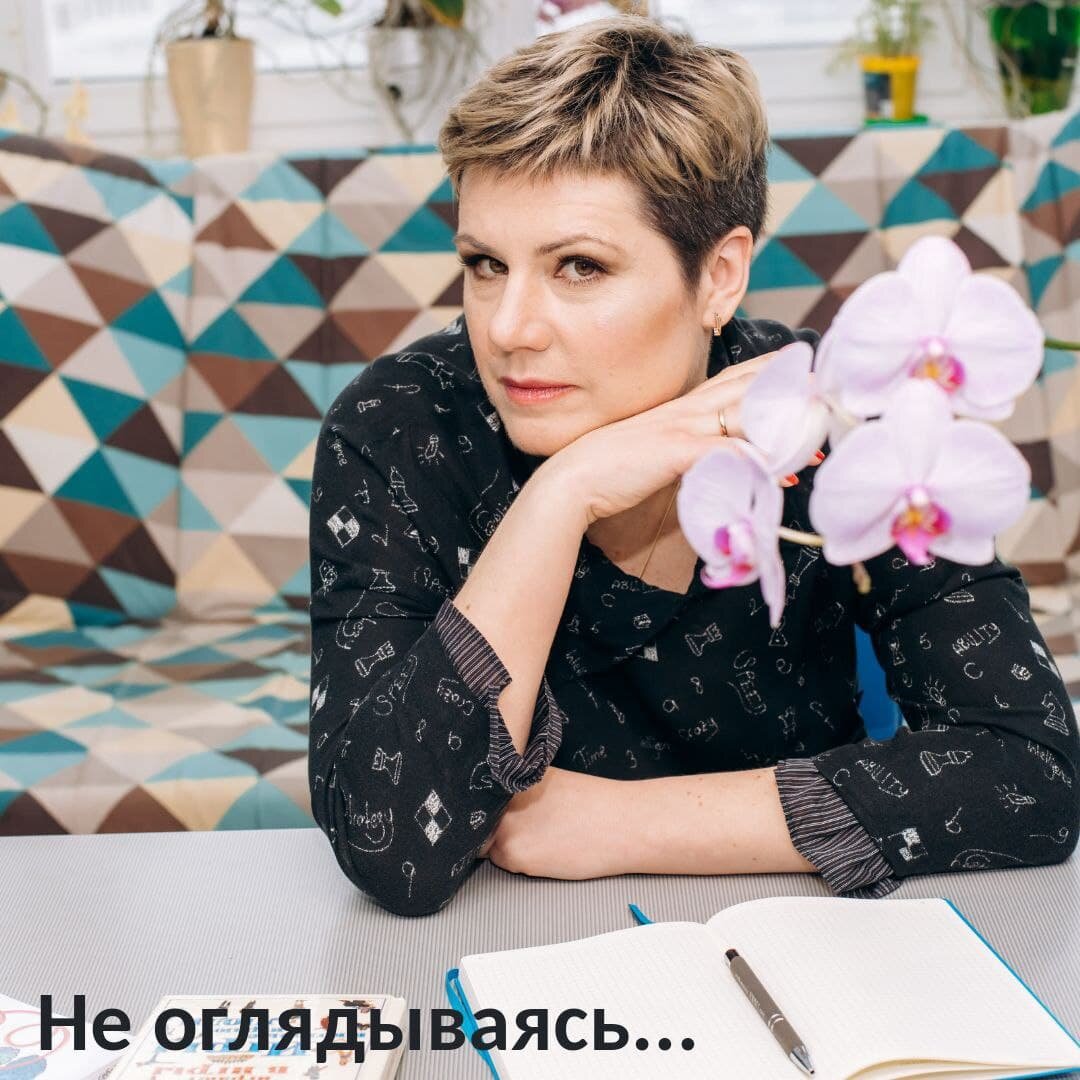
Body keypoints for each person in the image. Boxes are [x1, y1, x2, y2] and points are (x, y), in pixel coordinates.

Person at [307, 16, 1080, 917]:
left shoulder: (836, 418)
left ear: (719, 276)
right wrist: (563, 493)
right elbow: (392, 846)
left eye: (579, 267)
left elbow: (1034, 771)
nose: (508, 328)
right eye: (485, 264)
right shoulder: (397, 430)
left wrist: (621, 825)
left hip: (811, 943)